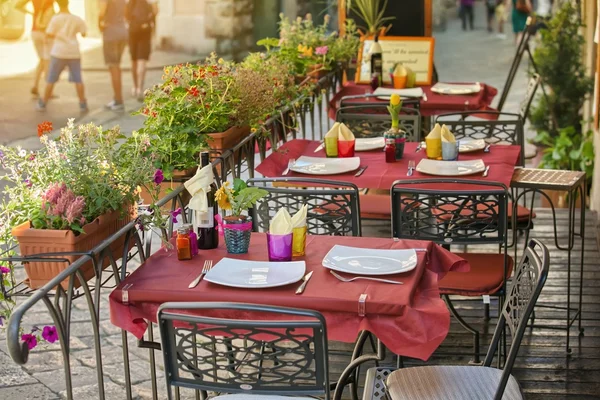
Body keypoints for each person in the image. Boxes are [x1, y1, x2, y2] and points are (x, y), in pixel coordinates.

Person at [37, 0, 88, 112]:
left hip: (59, 51)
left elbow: (49, 34)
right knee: (78, 78)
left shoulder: (55, 19)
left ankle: (43, 102)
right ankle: (82, 102)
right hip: (74, 52)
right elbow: (84, 33)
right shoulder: (76, 19)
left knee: (51, 78)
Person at [15, 0, 55, 98]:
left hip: (34, 31)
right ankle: (48, 91)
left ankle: (35, 86)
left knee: (42, 59)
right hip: (46, 32)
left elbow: (18, 6)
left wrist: (32, 13)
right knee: (47, 61)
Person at [99, 0, 128, 111]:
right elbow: (125, 12)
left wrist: (100, 23)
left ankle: (119, 100)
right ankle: (117, 98)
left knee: (113, 67)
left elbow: (102, 11)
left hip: (111, 33)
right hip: (122, 32)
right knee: (117, 66)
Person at [126, 0, 158, 101]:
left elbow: (125, 12)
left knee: (133, 60)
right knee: (142, 60)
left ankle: (135, 87)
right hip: (145, 30)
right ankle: (140, 88)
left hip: (132, 30)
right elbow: (155, 11)